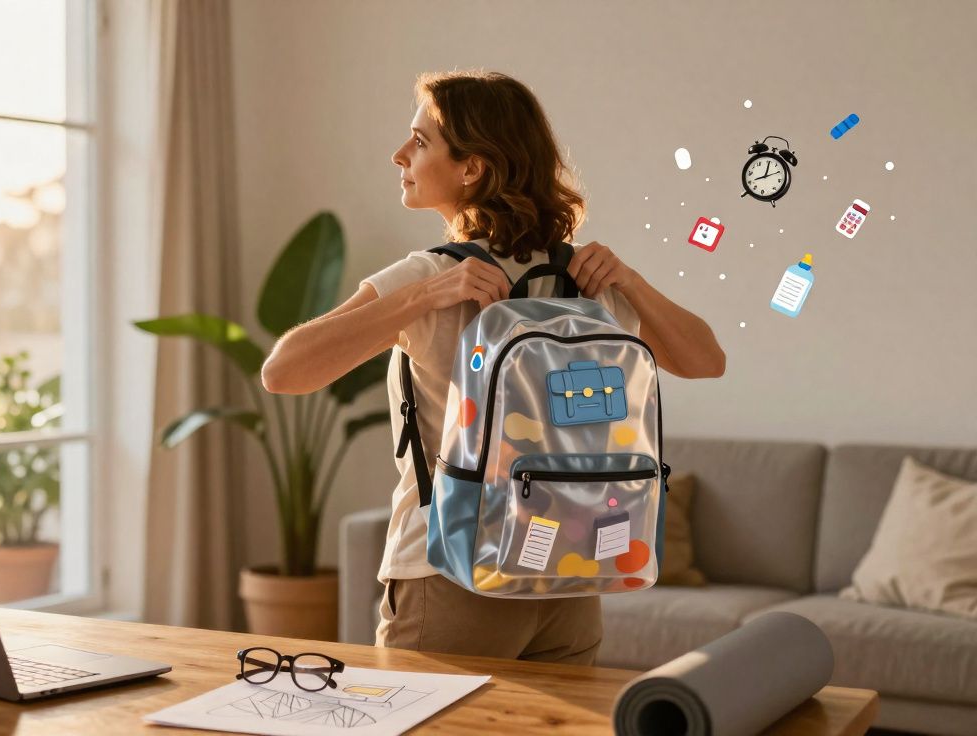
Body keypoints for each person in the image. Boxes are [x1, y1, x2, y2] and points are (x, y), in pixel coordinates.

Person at [260, 70, 726, 665]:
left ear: (472, 168)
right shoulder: (584, 281)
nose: (399, 154)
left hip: (450, 574)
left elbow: (283, 372)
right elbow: (705, 360)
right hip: (572, 570)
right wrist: (626, 281)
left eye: (421, 141)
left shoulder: (431, 276)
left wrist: (422, 298)